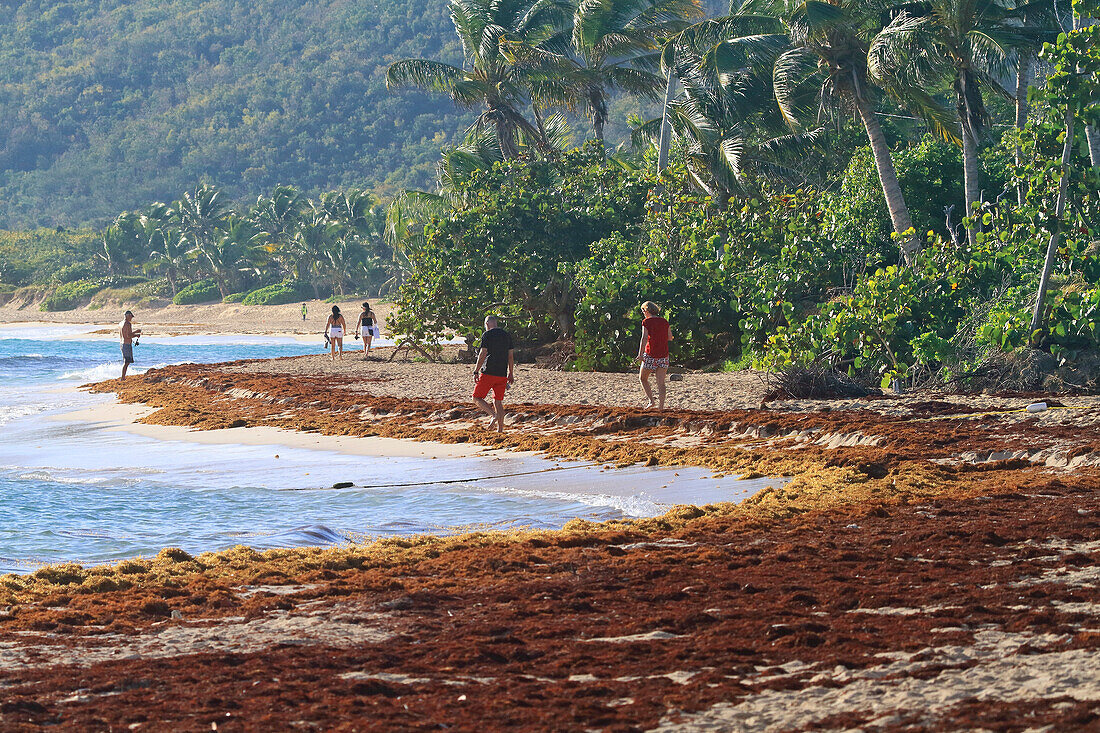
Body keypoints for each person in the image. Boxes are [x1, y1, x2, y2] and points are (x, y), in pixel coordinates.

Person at [472, 315, 514, 433]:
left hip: (489, 372)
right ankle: (500, 430)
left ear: (486, 324)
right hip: (502, 373)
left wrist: (476, 370)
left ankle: (493, 415)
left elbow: (483, 353)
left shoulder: (487, 334)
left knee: (476, 397)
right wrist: (511, 373)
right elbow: (510, 356)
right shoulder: (507, 335)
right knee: (498, 402)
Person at [636, 301, 672, 409]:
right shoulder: (665, 322)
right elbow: (670, 337)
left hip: (651, 354)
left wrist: (640, 354)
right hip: (663, 354)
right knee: (661, 382)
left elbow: (644, 338)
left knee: (643, 378)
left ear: (646, 310)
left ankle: (651, 401)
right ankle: (661, 407)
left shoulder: (646, 322)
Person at [119, 310, 142, 379]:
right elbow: (128, 336)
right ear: (128, 315)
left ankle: (123, 377)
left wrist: (135, 334)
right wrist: (136, 333)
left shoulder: (120, 323)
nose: (131, 318)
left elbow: (125, 335)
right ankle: (122, 377)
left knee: (127, 362)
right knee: (126, 362)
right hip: (126, 344)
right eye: (131, 316)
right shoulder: (127, 324)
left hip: (122, 344)